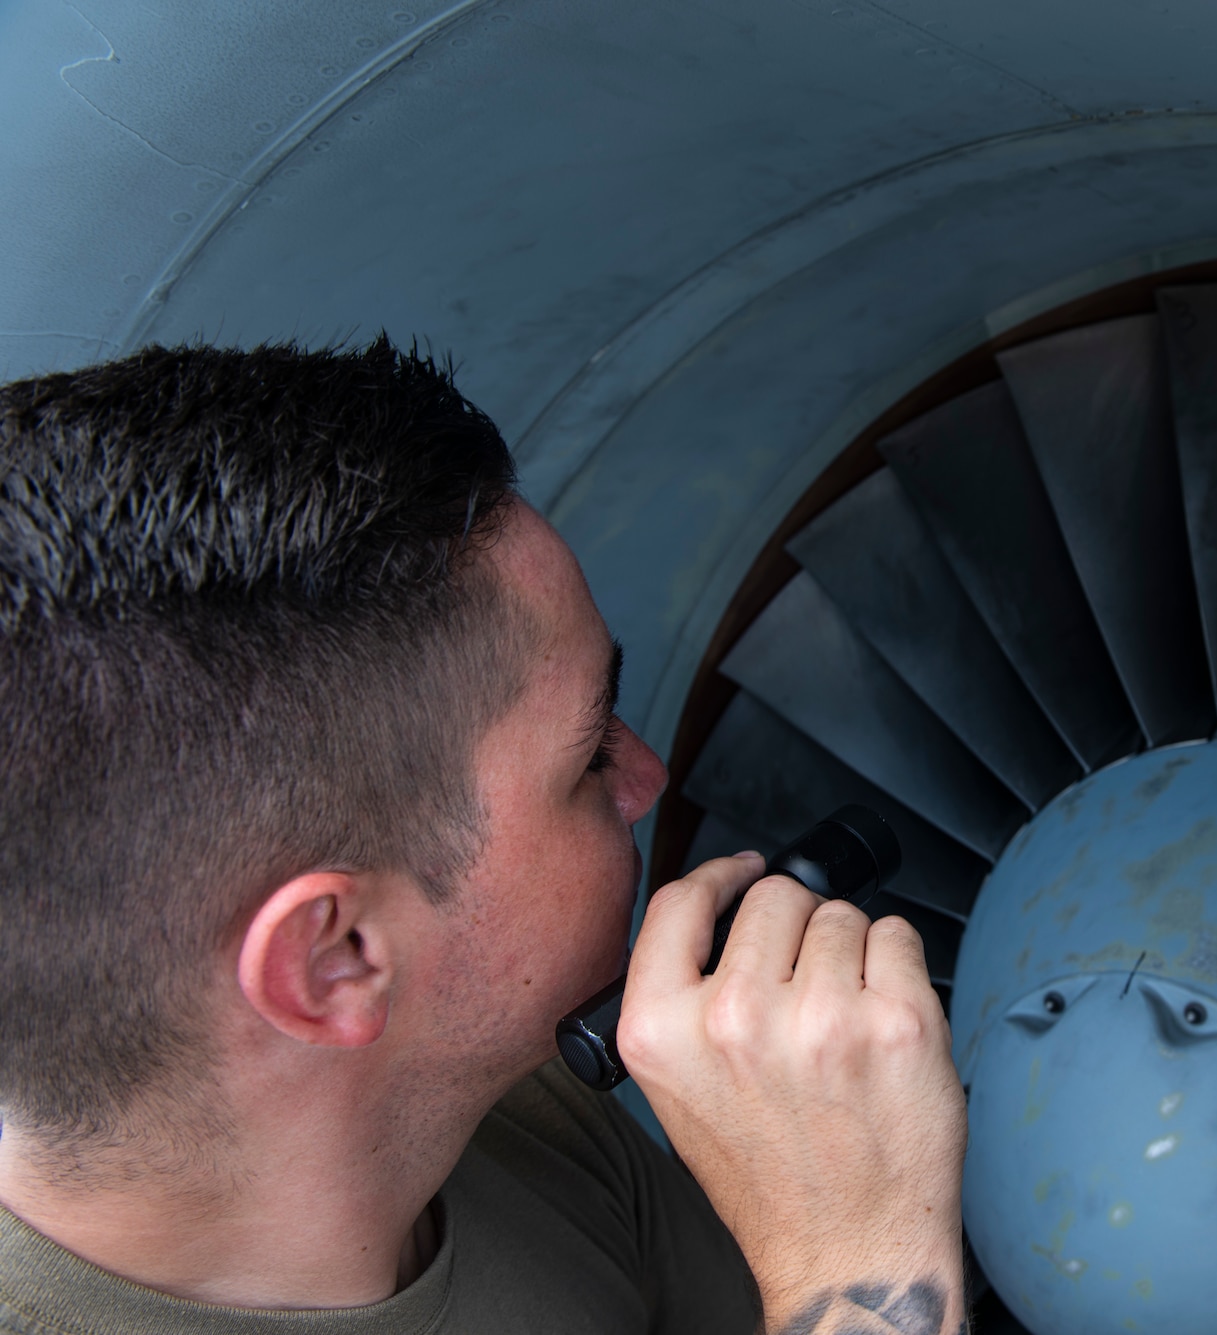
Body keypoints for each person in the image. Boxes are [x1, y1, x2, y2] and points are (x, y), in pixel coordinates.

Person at [0, 338, 968, 1334]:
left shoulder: (508, 1116)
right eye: (588, 754)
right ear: (337, 958)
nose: (647, 777)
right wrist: (857, 1252)